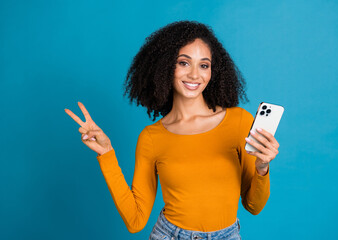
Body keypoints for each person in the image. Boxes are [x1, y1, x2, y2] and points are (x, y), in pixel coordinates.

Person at [65, 21, 280, 240]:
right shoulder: (151, 138)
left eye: (204, 65)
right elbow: (135, 220)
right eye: (184, 63)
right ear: (166, 66)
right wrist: (107, 154)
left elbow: (253, 206)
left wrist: (262, 168)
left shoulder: (239, 122)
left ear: (213, 71)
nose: (195, 74)